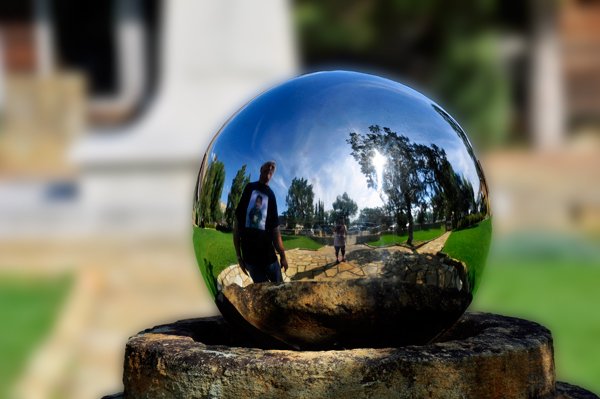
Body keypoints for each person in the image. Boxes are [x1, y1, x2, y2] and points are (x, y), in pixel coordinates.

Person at [233, 161, 288, 283]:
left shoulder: (271, 196)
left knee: (279, 290)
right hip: (250, 261)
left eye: (273, 167)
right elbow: (237, 224)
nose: (270, 167)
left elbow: (275, 231)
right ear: (261, 168)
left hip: (269, 260)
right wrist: (239, 257)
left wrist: (283, 256)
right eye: (268, 165)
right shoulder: (249, 188)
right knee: (264, 297)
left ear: (272, 174)